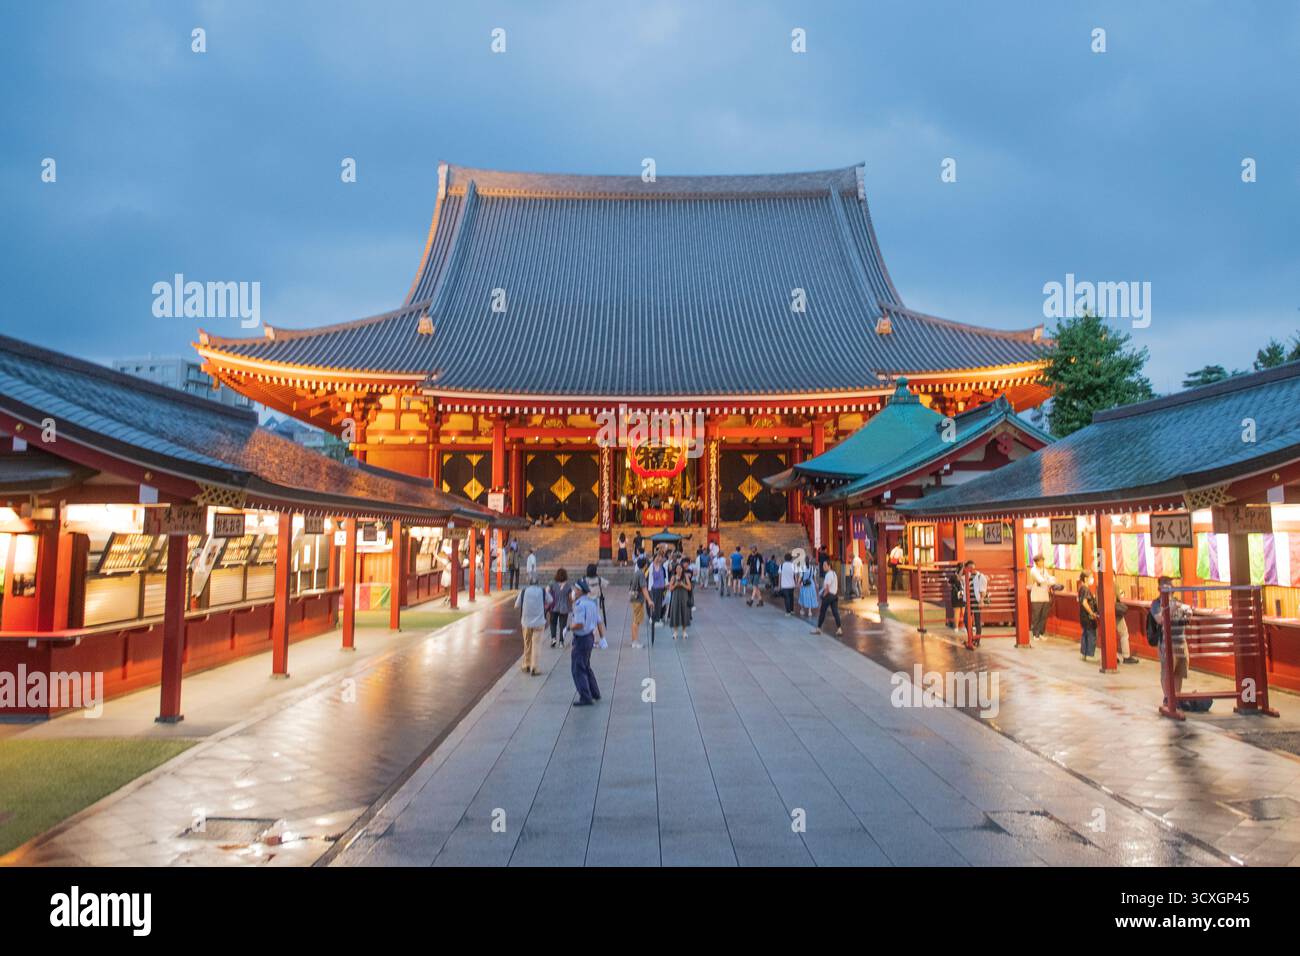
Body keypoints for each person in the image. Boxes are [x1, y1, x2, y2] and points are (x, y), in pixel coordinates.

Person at [1149, 575, 1191, 707]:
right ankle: (1168, 697)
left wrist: (1187, 612)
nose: (1169, 588)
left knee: (1179, 671)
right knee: (1167, 670)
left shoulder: (1179, 602)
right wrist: (1172, 608)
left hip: (1180, 640)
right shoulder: (1156, 604)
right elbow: (1160, 620)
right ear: (1159, 588)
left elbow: (1186, 619)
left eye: (1171, 586)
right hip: (1166, 642)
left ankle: (1176, 696)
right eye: (1166, 586)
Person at [569, 579, 604, 706]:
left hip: (581, 639)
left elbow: (579, 624)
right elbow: (599, 621)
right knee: (586, 666)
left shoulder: (579, 605)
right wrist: (602, 638)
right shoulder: (592, 604)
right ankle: (595, 692)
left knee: (578, 668)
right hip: (590, 637)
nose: (573, 591)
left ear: (579, 591)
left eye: (575, 589)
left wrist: (569, 628)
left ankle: (585, 696)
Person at [513, 574, 548, 675]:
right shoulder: (542, 591)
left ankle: (526, 664)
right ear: (538, 583)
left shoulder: (524, 591)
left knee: (527, 643)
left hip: (526, 622)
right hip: (539, 622)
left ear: (529, 583)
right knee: (536, 645)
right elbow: (550, 600)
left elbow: (517, 605)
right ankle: (535, 667)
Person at [1027, 554, 1057, 641]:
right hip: (1036, 596)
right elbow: (1041, 580)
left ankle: (1040, 633)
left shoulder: (1044, 570)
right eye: (1041, 561)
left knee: (1043, 616)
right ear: (1036, 562)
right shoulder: (1033, 570)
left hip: (1045, 595)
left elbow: (1051, 578)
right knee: (1036, 616)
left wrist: (1050, 580)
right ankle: (1035, 634)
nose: (1042, 562)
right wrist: (1049, 581)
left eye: (1043, 560)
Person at [812, 558, 842, 635]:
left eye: (825, 565)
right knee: (835, 612)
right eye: (823, 565)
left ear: (829, 566)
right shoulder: (834, 573)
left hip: (828, 595)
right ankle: (839, 629)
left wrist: (823, 596)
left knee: (822, 612)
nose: (823, 567)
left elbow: (827, 588)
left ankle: (818, 628)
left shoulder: (828, 575)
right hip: (834, 595)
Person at [960, 560, 987, 646]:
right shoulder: (967, 576)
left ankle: (977, 640)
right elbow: (959, 577)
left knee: (977, 621)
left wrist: (982, 600)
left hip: (976, 601)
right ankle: (971, 638)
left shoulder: (980, 576)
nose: (970, 569)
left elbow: (983, 590)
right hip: (968, 602)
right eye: (968, 568)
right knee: (966, 620)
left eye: (970, 568)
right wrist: (962, 568)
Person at [628, 556, 651, 648]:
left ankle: (634, 640)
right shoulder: (641, 574)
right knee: (636, 621)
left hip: (634, 599)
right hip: (638, 599)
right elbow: (644, 588)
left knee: (635, 620)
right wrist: (649, 600)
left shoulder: (636, 573)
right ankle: (635, 641)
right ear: (645, 565)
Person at [1077, 570, 1099, 661]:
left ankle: (1084, 654)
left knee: (1085, 634)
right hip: (1088, 616)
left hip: (1083, 616)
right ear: (1086, 579)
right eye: (1091, 577)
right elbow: (1084, 602)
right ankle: (1089, 654)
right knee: (1091, 634)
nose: (1092, 579)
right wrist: (1092, 613)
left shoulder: (1081, 588)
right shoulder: (1085, 589)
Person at [548, 568, 572, 648]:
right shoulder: (568, 586)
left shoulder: (552, 584)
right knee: (563, 625)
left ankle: (553, 639)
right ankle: (561, 642)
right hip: (564, 608)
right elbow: (570, 597)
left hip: (553, 606)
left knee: (553, 623)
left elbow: (546, 592)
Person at [667, 562, 692, 639]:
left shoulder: (685, 576)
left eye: (680, 568)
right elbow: (670, 588)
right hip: (675, 597)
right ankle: (675, 632)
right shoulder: (673, 577)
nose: (679, 570)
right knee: (675, 612)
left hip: (684, 597)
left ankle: (684, 631)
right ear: (675, 570)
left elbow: (689, 588)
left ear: (682, 569)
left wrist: (682, 584)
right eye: (677, 568)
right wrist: (675, 585)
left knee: (684, 612)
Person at [647, 551, 669, 631]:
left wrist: (666, 584)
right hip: (654, 588)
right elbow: (650, 578)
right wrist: (650, 589)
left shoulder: (662, 566)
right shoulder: (651, 566)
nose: (659, 559)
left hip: (661, 588)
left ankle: (658, 618)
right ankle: (652, 618)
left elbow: (664, 577)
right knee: (654, 603)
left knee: (659, 604)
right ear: (654, 557)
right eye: (658, 557)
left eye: (661, 557)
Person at [1115, 594, 1139, 664]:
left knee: (1110, 635)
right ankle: (1126, 656)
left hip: (1105, 613)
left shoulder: (1098, 588)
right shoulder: (1113, 585)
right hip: (1115, 614)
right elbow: (1118, 597)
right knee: (1124, 634)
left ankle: (1113, 656)